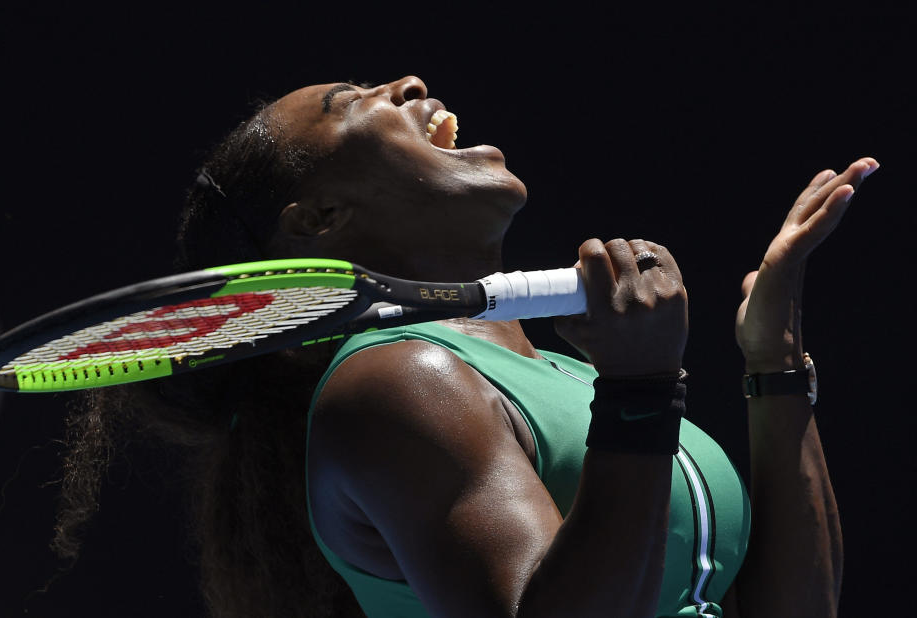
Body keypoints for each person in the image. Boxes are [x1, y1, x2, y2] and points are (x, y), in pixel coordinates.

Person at [54, 75, 876, 618]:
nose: (410, 83)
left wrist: (774, 362)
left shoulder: (561, 374)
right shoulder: (398, 381)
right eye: (353, 101)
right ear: (321, 222)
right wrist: (643, 390)